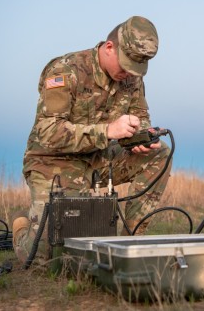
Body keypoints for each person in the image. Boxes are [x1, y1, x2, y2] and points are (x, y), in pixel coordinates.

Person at [12, 15, 172, 265]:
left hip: (99, 160)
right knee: (49, 259)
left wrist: (142, 136)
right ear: (109, 48)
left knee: (159, 153)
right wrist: (108, 131)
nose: (129, 73)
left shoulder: (132, 77)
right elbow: (48, 131)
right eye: (125, 65)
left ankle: (131, 243)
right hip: (53, 162)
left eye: (135, 68)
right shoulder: (65, 71)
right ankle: (24, 228)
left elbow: (140, 115)